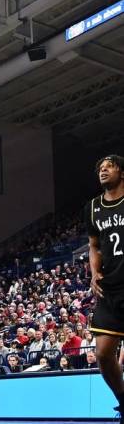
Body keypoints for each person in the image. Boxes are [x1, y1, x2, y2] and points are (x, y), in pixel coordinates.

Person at [87, 155, 124, 422]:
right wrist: (94, 271)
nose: (103, 171)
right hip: (110, 288)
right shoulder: (92, 208)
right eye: (100, 168)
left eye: (108, 167)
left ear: (121, 172)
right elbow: (94, 245)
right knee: (102, 353)